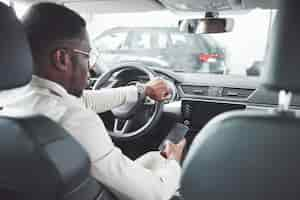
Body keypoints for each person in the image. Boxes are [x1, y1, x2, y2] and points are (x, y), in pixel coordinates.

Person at [0, 3, 186, 200]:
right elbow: (155, 194)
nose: (89, 70)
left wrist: (141, 90)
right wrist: (173, 162)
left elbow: (83, 100)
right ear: (62, 58)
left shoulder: (12, 105)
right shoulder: (75, 120)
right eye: (87, 56)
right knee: (161, 164)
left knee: (151, 161)